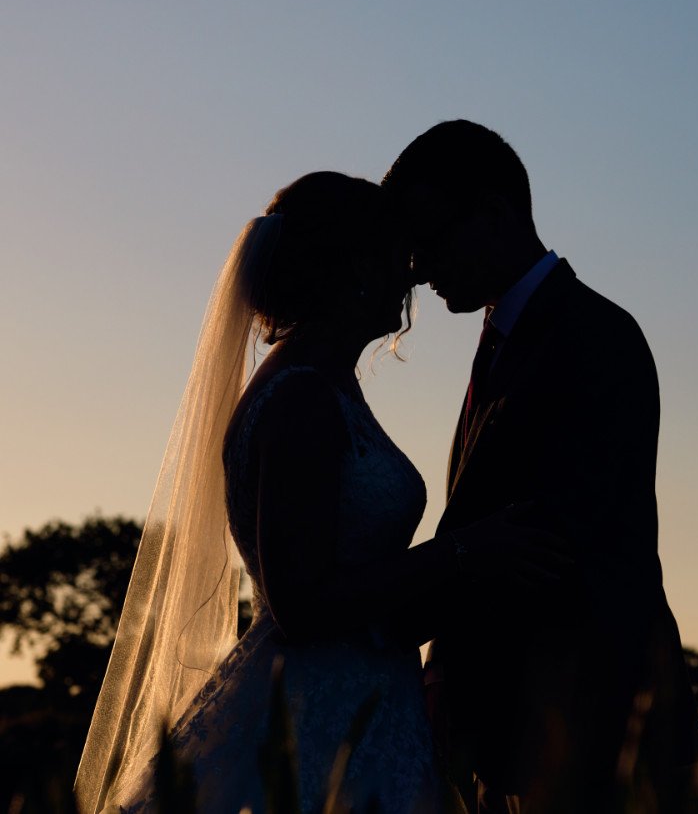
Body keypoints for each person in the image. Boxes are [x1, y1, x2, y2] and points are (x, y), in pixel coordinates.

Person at [74, 172, 563, 814]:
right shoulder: (299, 399)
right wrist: (461, 553)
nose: (412, 276)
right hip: (318, 714)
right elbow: (300, 603)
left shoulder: (325, 386)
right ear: (357, 268)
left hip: (364, 699)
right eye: (398, 256)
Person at [382, 121, 698, 813]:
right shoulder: (506, 338)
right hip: (512, 734)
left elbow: (559, 547)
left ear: (493, 212)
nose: (415, 265)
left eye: (427, 237)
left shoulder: (596, 337)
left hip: (582, 730)